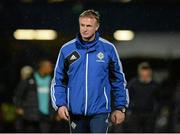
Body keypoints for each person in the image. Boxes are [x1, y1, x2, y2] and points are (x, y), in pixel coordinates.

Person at [51, 9, 129, 133]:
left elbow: (118, 80)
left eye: (89, 26)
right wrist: (60, 105)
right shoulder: (67, 49)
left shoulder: (108, 49)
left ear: (96, 27)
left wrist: (120, 108)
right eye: (82, 25)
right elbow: (58, 80)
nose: (84, 29)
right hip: (75, 112)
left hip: (100, 112)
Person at [14, 59, 53, 132]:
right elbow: (18, 94)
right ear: (42, 67)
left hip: (47, 115)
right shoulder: (29, 80)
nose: (51, 68)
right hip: (31, 114)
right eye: (49, 66)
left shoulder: (52, 81)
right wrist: (19, 107)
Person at [126, 62, 160, 132]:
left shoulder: (155, 85)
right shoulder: (133, 84)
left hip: (149, 115)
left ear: (150, 72)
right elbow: (127, 97)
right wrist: (129, 109)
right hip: (135, 115)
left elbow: (159, 99)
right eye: (143, 71)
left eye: (146, 71)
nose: (144, 73)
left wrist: (155, 112)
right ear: (139, 72)